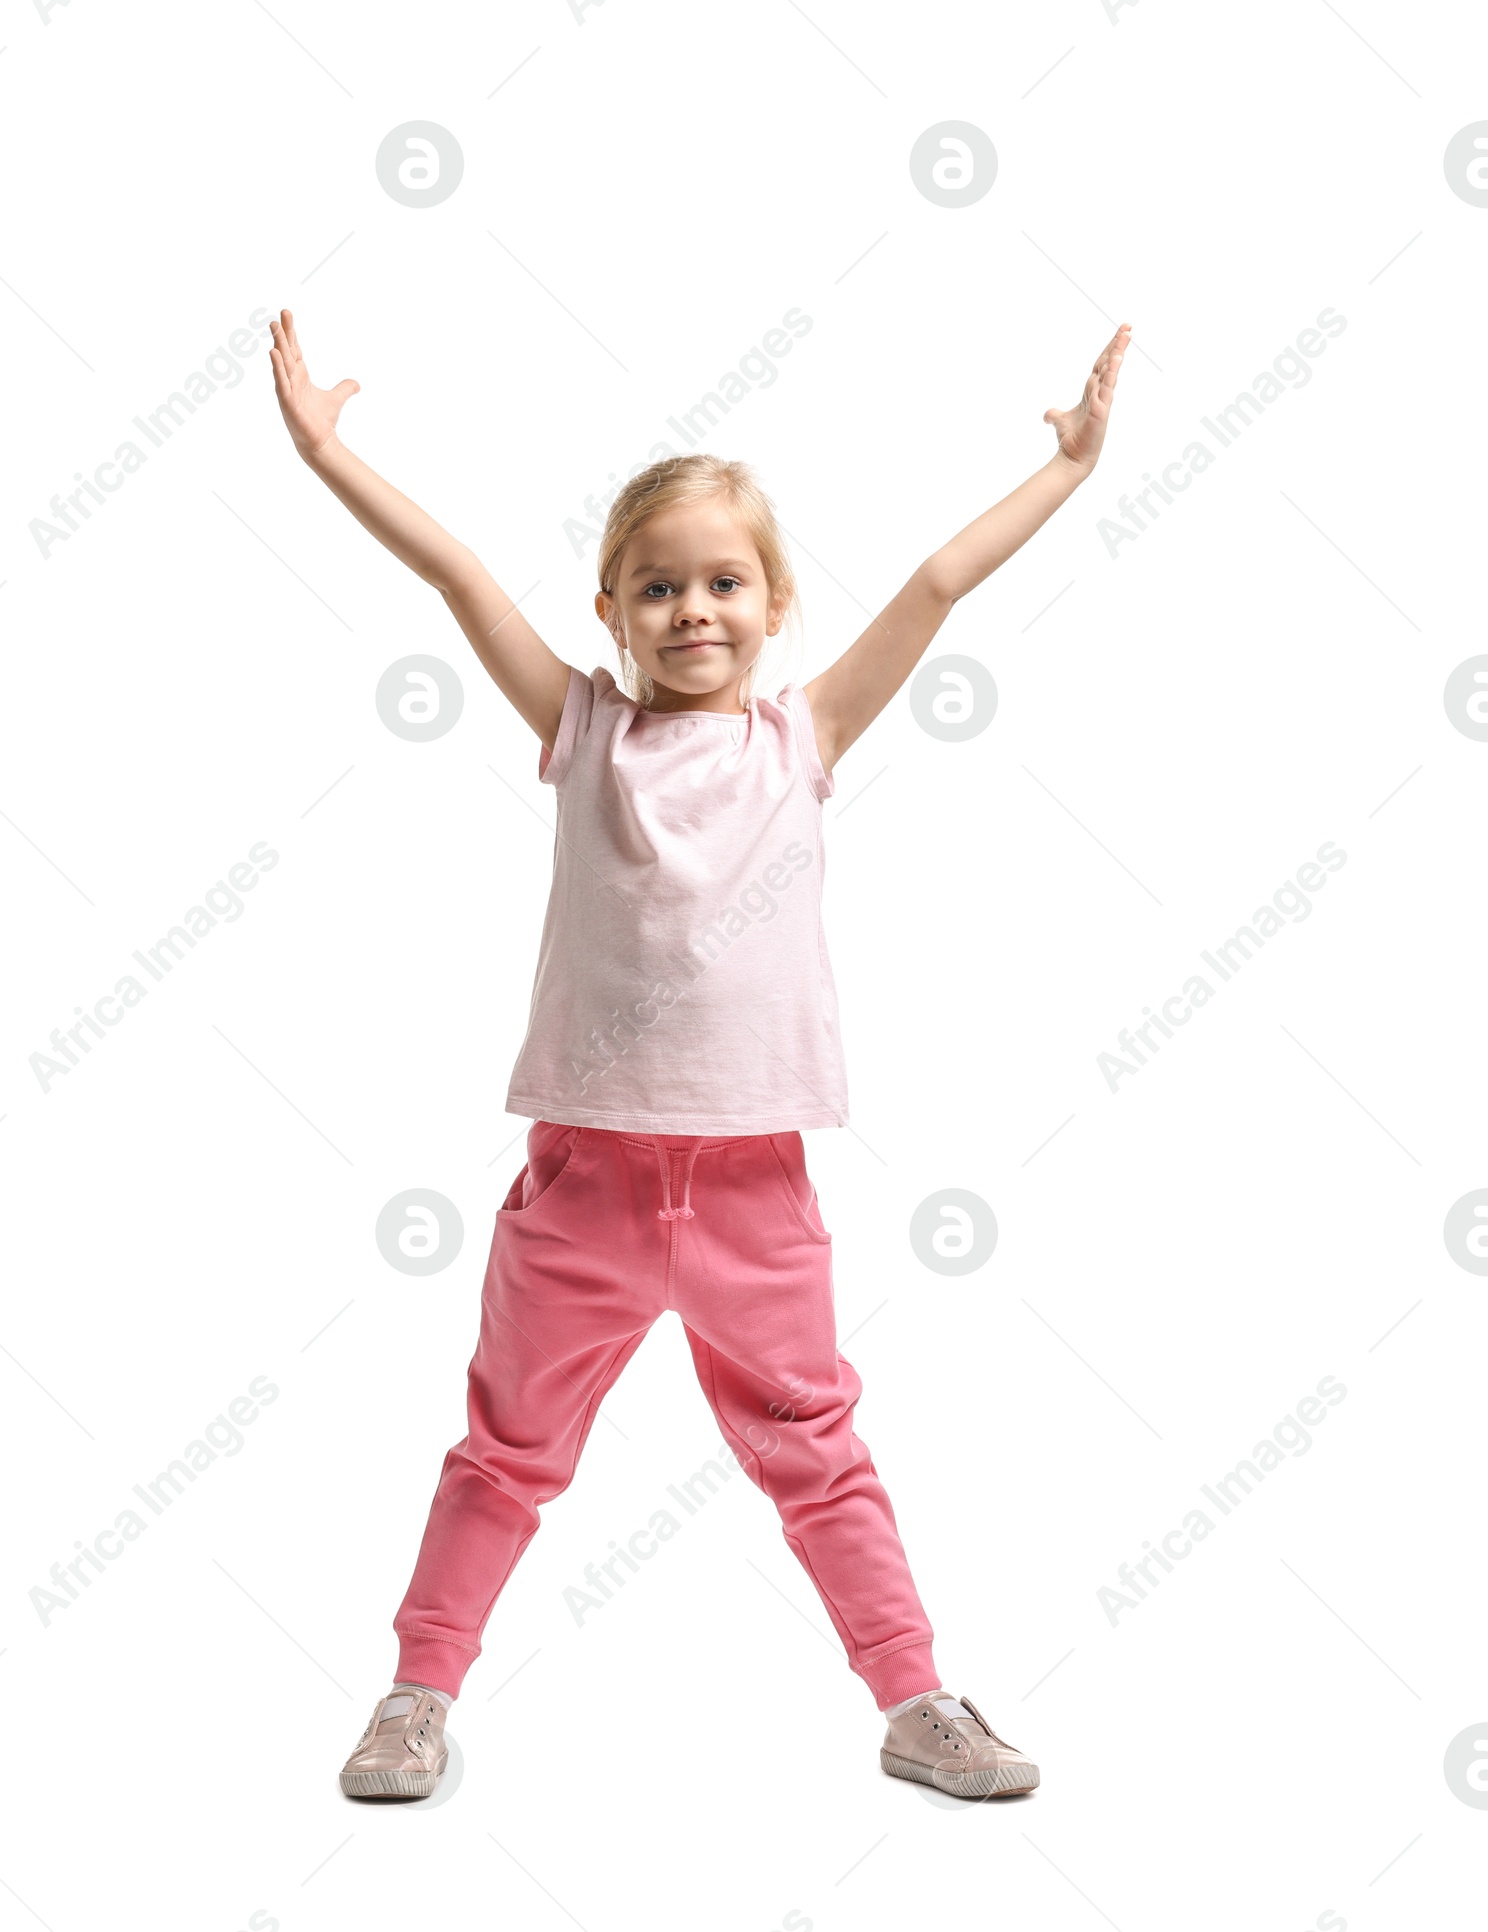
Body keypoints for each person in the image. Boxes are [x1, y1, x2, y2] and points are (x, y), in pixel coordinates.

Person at [268, 308, 1129, 1801]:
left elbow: (934, 582)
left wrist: (1067, 469)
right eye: (657, 587)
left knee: (820, 1462)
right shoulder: (582, 730)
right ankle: (416, 1696)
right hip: (583, 1191)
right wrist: (332, 453)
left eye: (723, 582)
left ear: (774, 602)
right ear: (611, 610)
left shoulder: (802, 740)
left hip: (755, 1199)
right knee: (504, 1455)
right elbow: (461, 574)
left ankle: (916, 1701)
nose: (692, 611)